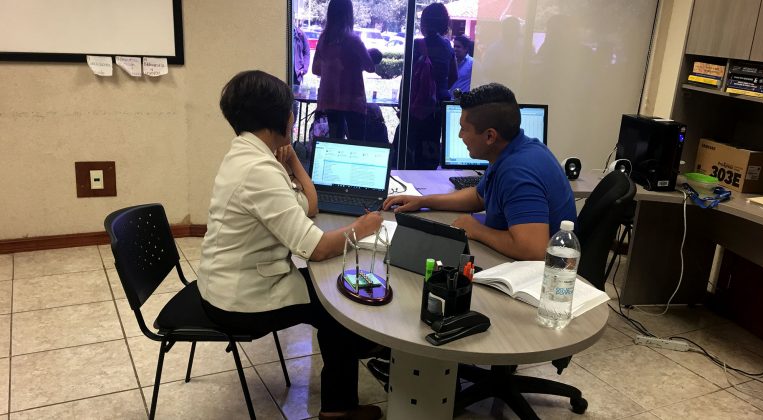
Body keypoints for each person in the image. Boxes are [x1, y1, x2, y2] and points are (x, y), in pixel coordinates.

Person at [198, 70, 384, 420]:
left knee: (332, 292)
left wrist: (294, 161)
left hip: (228, 281)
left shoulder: (249, 155)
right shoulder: (259, 171)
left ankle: (363, 351)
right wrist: (363, 226)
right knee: (337, 306)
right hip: (239, 299)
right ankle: (340, 408)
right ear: (285, 119)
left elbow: (309, 206)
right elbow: (316, 249)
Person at [383, 83, 576, 261]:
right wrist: (423, 201)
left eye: (464, 129)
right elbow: (478, 197)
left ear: (490, 136)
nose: (459, 135)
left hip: (539, 277)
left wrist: (477, 230)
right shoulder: (513, 150)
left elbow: (534, 250)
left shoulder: (518, 171)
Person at [393, 2, 458, 169]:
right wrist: (436, 88)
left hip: (416, 109)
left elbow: (407, 77)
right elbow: (454, 76)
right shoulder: (448, 48)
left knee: (406, 153)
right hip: (437, 109)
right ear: (445, 23)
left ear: (424, 22)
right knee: (429, 153)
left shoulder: (416, 45)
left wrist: (402, 104)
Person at [312, 0, 378, 141]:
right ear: (349, 14)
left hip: (329, 100)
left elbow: (315, 69)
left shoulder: (323, 39)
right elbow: (370, 67)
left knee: (336, 141)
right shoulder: (354, 40)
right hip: (353, 101)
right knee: (356, 142)